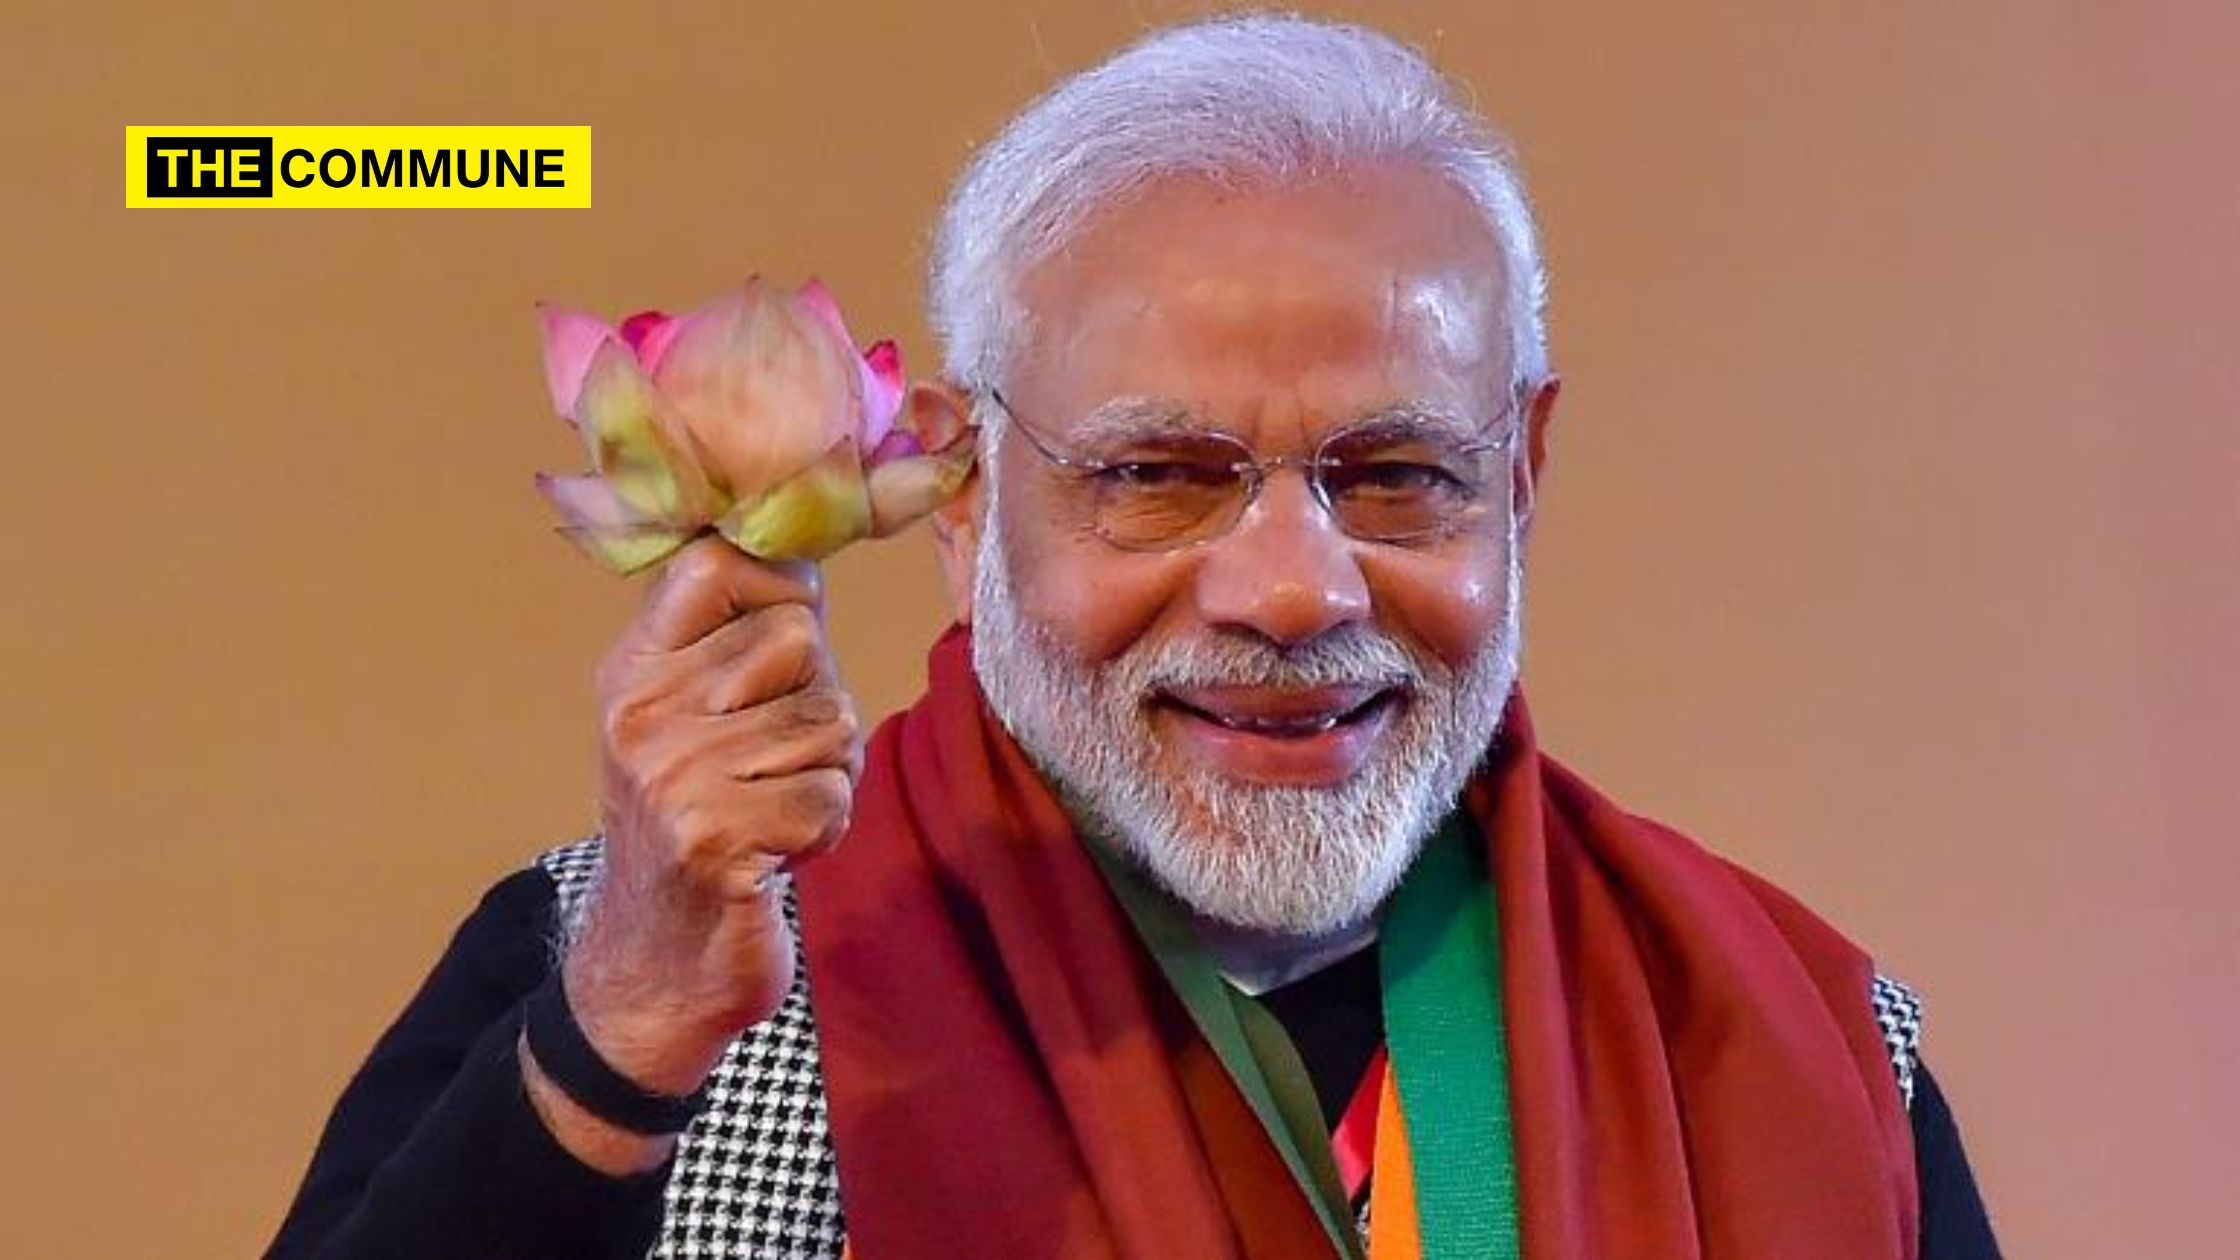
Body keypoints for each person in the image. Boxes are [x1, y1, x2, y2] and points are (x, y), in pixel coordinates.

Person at [266, 15, 2000, 1260]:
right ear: (961, 492)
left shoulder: (1800, 1041)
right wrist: (623, 1040)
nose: (1295, 591)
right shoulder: (625, 967)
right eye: (1158, 477)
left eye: (1400, 474)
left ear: (1523, 475)